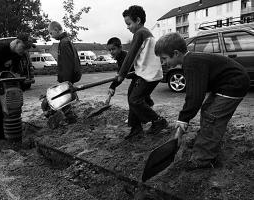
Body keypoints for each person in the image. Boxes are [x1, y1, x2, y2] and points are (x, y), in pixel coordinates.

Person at [154, 32, 250, 170]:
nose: (163, 63)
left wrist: (183, 120)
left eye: (164, 58)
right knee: (207, 110)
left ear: (175, 53)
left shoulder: (191, 63)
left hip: (234, 84)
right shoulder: (190, 61)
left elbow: (195, 97)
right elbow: (196, 93)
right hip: (225, 84)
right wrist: (184, 120)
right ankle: (204, 140)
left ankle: (203, 159)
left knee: (213, 117)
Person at [116, 5, 168, 139]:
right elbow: (141, 57)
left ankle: (158, 121)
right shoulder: (146, 33)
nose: (127, 27)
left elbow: (131, 55)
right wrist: (132, 72)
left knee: (135, 100)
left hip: (149, 75)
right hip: (146, 73)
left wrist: (121, 74)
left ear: (138, 20)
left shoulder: (140, 33)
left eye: (129, 23)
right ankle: (136, 127)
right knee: (131, 95)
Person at [105, 37, 154, 120]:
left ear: (120, 47)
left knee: (134, 97)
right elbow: (120, 74)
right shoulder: (119, 57)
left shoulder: (125, 57)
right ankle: (137, 115)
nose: (111, 52)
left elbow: (121, 75)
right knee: (135, 96)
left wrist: (113, 85)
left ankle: (144, 114)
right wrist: (113, 86)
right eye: (109, 50)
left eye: (113, 49)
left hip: (142, 76)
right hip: (137, 77)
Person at [48, 21, 81, 124]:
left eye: (51, 33)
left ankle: (71, 118)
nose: (51, 36)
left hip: (66, 78)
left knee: (63, 99)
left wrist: (66, 82)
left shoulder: (64, 43)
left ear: (56, 30)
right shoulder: (66, 41)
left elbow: (67, 63)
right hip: (68, 77)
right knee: (65, 99)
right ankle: (70, 117)